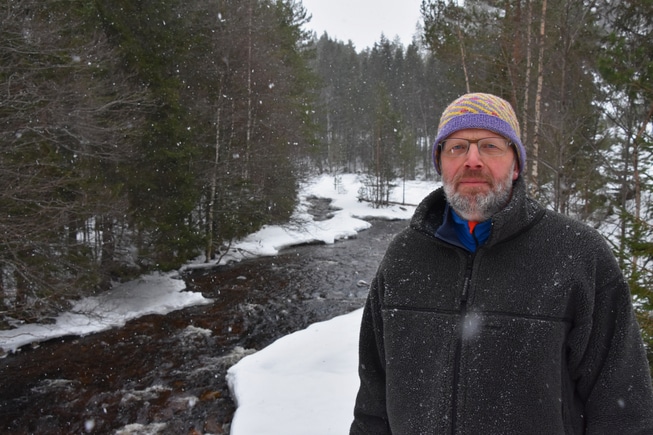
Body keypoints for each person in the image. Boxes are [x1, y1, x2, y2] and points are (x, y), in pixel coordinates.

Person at [349, 92, 653, 434]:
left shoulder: (579, 255)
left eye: (491, 145)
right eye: (457, 147)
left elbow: (623, 411)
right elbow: (373, 402)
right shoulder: (404, 256)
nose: (472, 160)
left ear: (517, 163)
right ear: (440, 163)